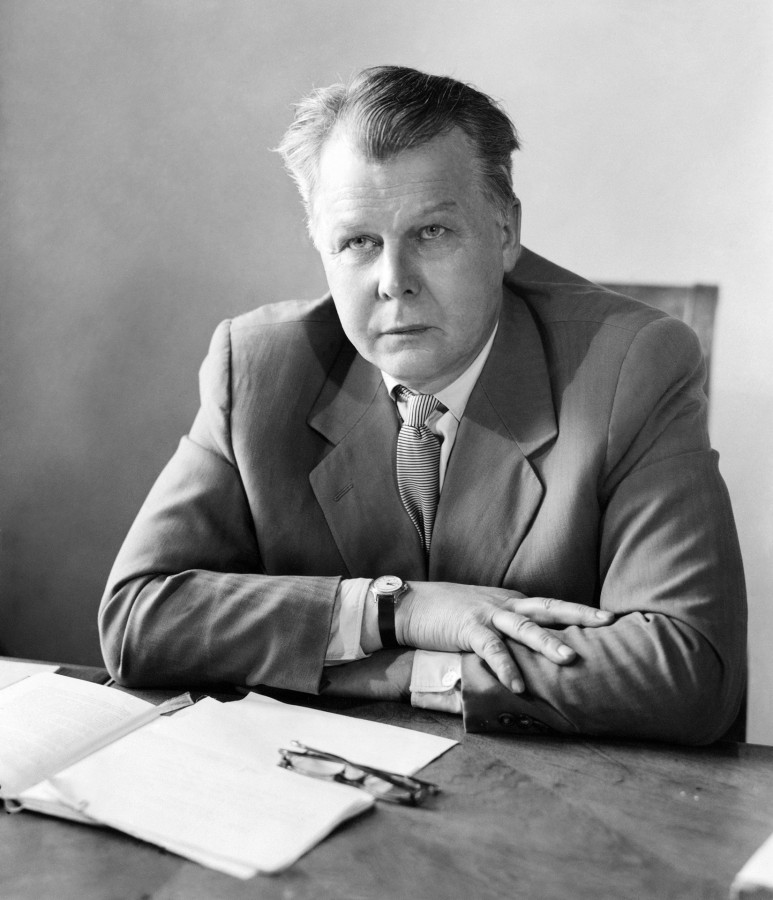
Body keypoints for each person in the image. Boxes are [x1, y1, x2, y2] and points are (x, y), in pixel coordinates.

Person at [99, 65, 746, 744]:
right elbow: (139, 618)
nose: (393, 282)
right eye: (358, 242)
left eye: (432, 232)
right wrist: (397, 610)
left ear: (504, 231)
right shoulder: (260, 366)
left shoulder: (631, 363)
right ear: (320, 244)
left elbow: (688, 671)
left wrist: (410, 673)